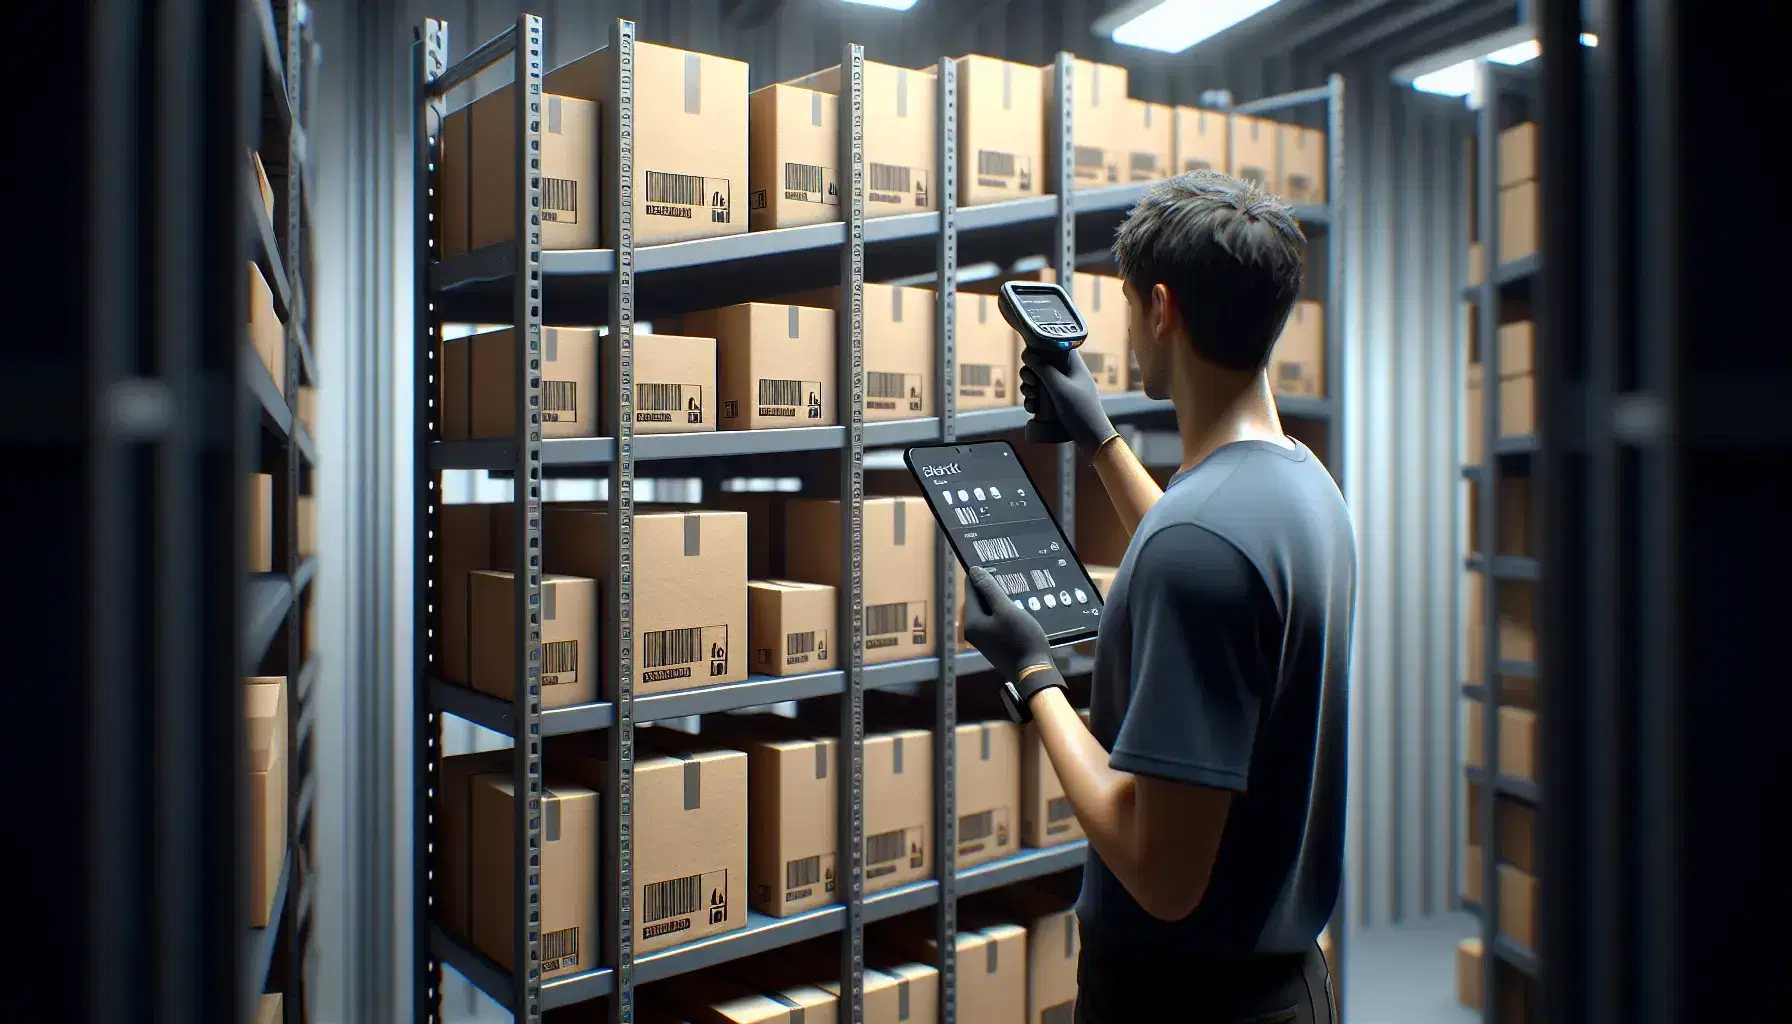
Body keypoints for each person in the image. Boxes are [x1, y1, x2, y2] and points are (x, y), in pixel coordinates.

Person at [961, 171, 1355, 1024]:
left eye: (1131, 302)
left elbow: (1160, 873)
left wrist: (1035, 677)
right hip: (1285, 984)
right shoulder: (1307, 491)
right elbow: (1201, 545)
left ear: (1163, 310)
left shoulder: (1198, 545)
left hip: (1185, 1000)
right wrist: (1098, 437)